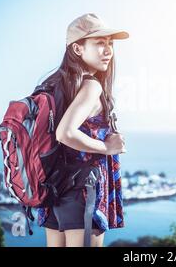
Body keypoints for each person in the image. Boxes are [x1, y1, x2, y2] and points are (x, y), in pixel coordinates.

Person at [36, 13, 128, 247]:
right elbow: (65, 133)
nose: (108, 51)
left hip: (54, 187)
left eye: (110, 44)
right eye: (99, 43)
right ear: (77, 49)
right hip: (83, 189)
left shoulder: (53, 84)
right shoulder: (90, 86)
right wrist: (107, 147)